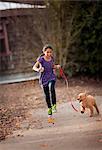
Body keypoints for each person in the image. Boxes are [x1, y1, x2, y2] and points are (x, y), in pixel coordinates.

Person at [33, 44, 60, 121]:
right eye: (47, 52)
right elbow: (34, 67)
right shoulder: (41, 59)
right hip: (43, 79)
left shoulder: (51, 59)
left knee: (51, 88)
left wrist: (57, 66)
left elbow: (52, 66)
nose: (49, 54)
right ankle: (49, 109)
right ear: (44, 52)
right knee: (47, 94)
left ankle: (54, 105)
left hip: (51, 77)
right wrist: (38, 69)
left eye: (50, 52)